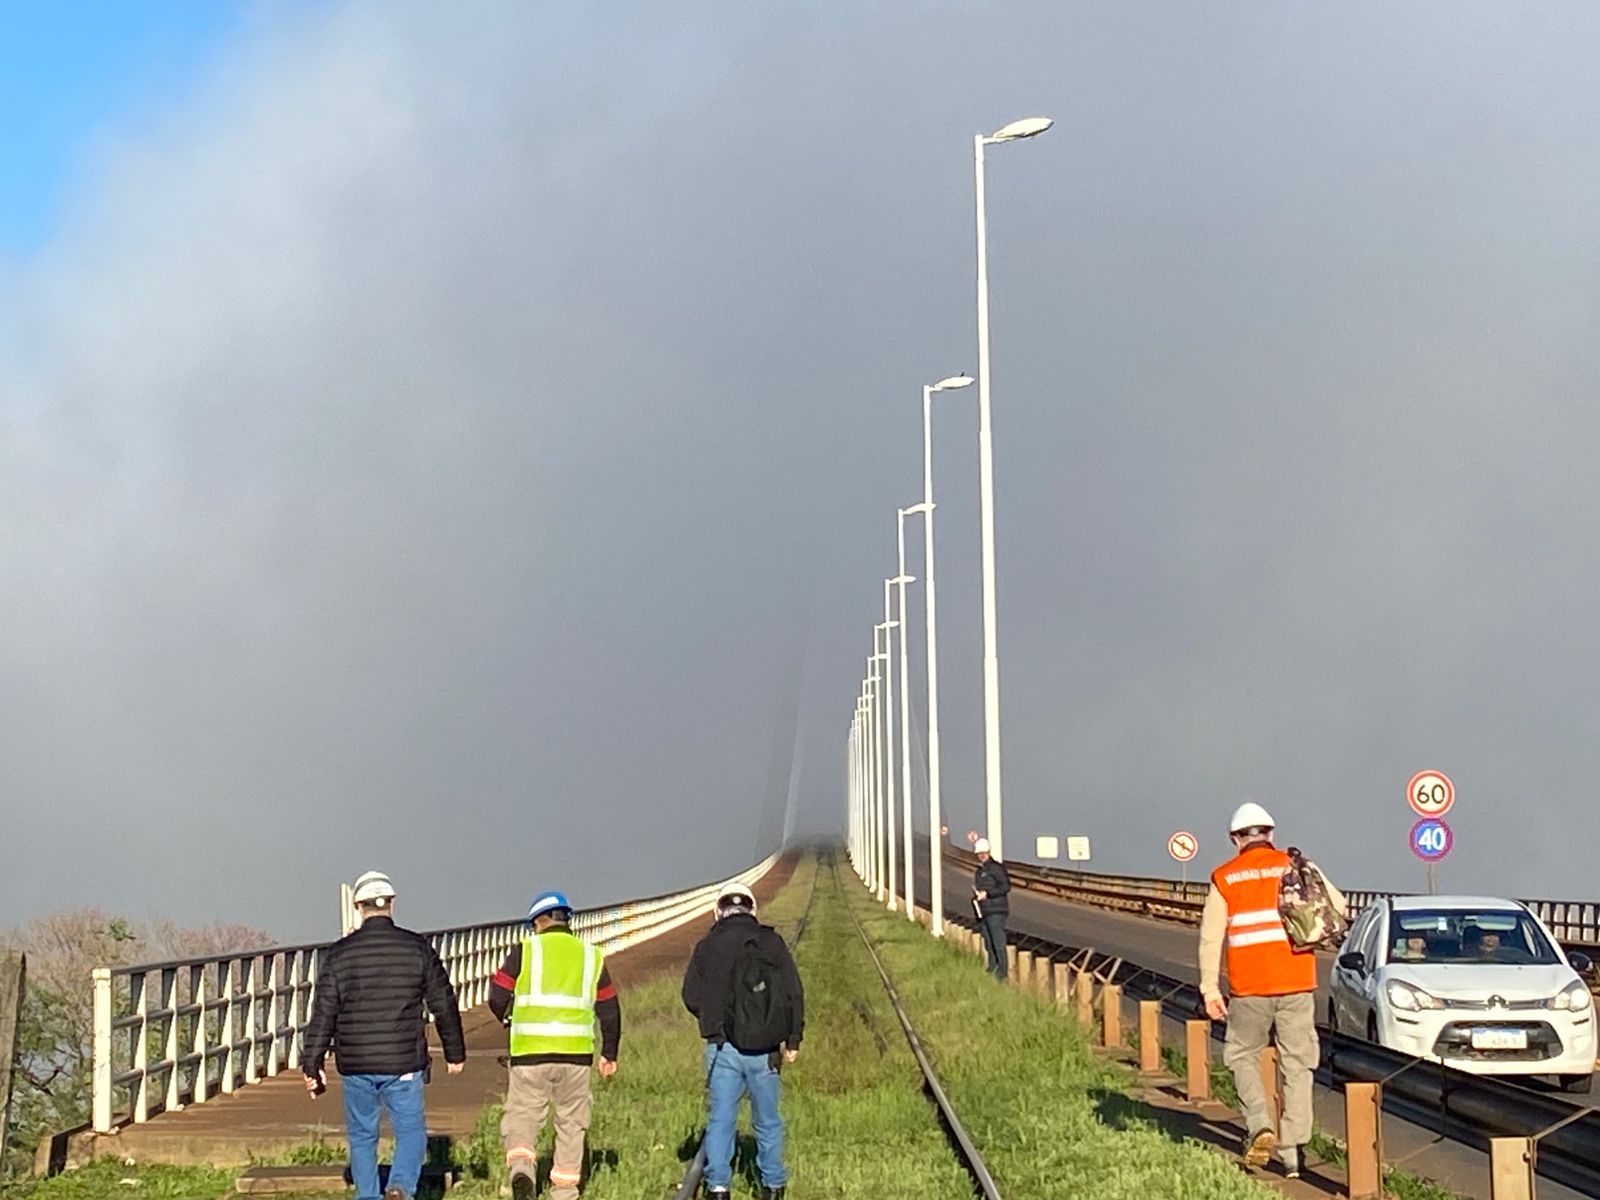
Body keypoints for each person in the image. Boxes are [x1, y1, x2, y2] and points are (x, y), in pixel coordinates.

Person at [1199, 804, 1346, 1180]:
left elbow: (1211, 938)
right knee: (1298, 1065)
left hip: (1249, 988)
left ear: (1235, 839)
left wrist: (1210, 988)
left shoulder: (1225, 877)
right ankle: (1294, 1152)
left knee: (1241, 1054)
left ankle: (1259, 1124)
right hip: (1297, 981)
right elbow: (1339, 906)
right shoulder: (1294, 865)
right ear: (1271, 834)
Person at [302, 870, 466, 1200]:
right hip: (403, 1060)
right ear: (392, 904)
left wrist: (312, 1063)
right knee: (411, 1132)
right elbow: (443, 1003)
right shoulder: (416, 947)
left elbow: (324, 1012)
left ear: (358, 906)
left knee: (362, 1136)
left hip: (356, 1062)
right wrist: (454, 1051)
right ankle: (401, 1187)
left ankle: (367, 1195)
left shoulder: (339, 954)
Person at [488, 891, 620, 1200]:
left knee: (522, 1115)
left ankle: (522, 1167)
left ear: (537, 922)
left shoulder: (526, 950)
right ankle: (565, 1191)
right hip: (576, 1056)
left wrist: (508, 1019)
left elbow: (497, 995)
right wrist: (609, 1053)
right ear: (566, 921)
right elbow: (610, 1008)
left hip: (529, 1053)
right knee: (572, 1124)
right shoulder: (591, 956)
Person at [681, 881, 805, 1200]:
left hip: (722, 1047)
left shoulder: (707, 945)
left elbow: (691, 996)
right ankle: (773, 1185)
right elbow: (793, 992)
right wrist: (793, 1039)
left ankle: (719, 1187)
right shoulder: (771, 942)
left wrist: (712, 1018)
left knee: (721, 1119)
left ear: (718, 910)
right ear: (753, 909)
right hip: (766, 1050)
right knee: (767, 1120)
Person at [972, 838, 1012, 980]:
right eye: (979, 853)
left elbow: (1005, 887)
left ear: (988, 852)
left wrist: (988, 894)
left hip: (996, 910)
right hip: (984, 911)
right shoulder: (979, 871)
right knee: (989, 943)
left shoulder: (996, 868)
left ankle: (1002, 972)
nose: (981, 855)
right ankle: (992, 968)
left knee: (998, 942)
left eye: (983, 852)